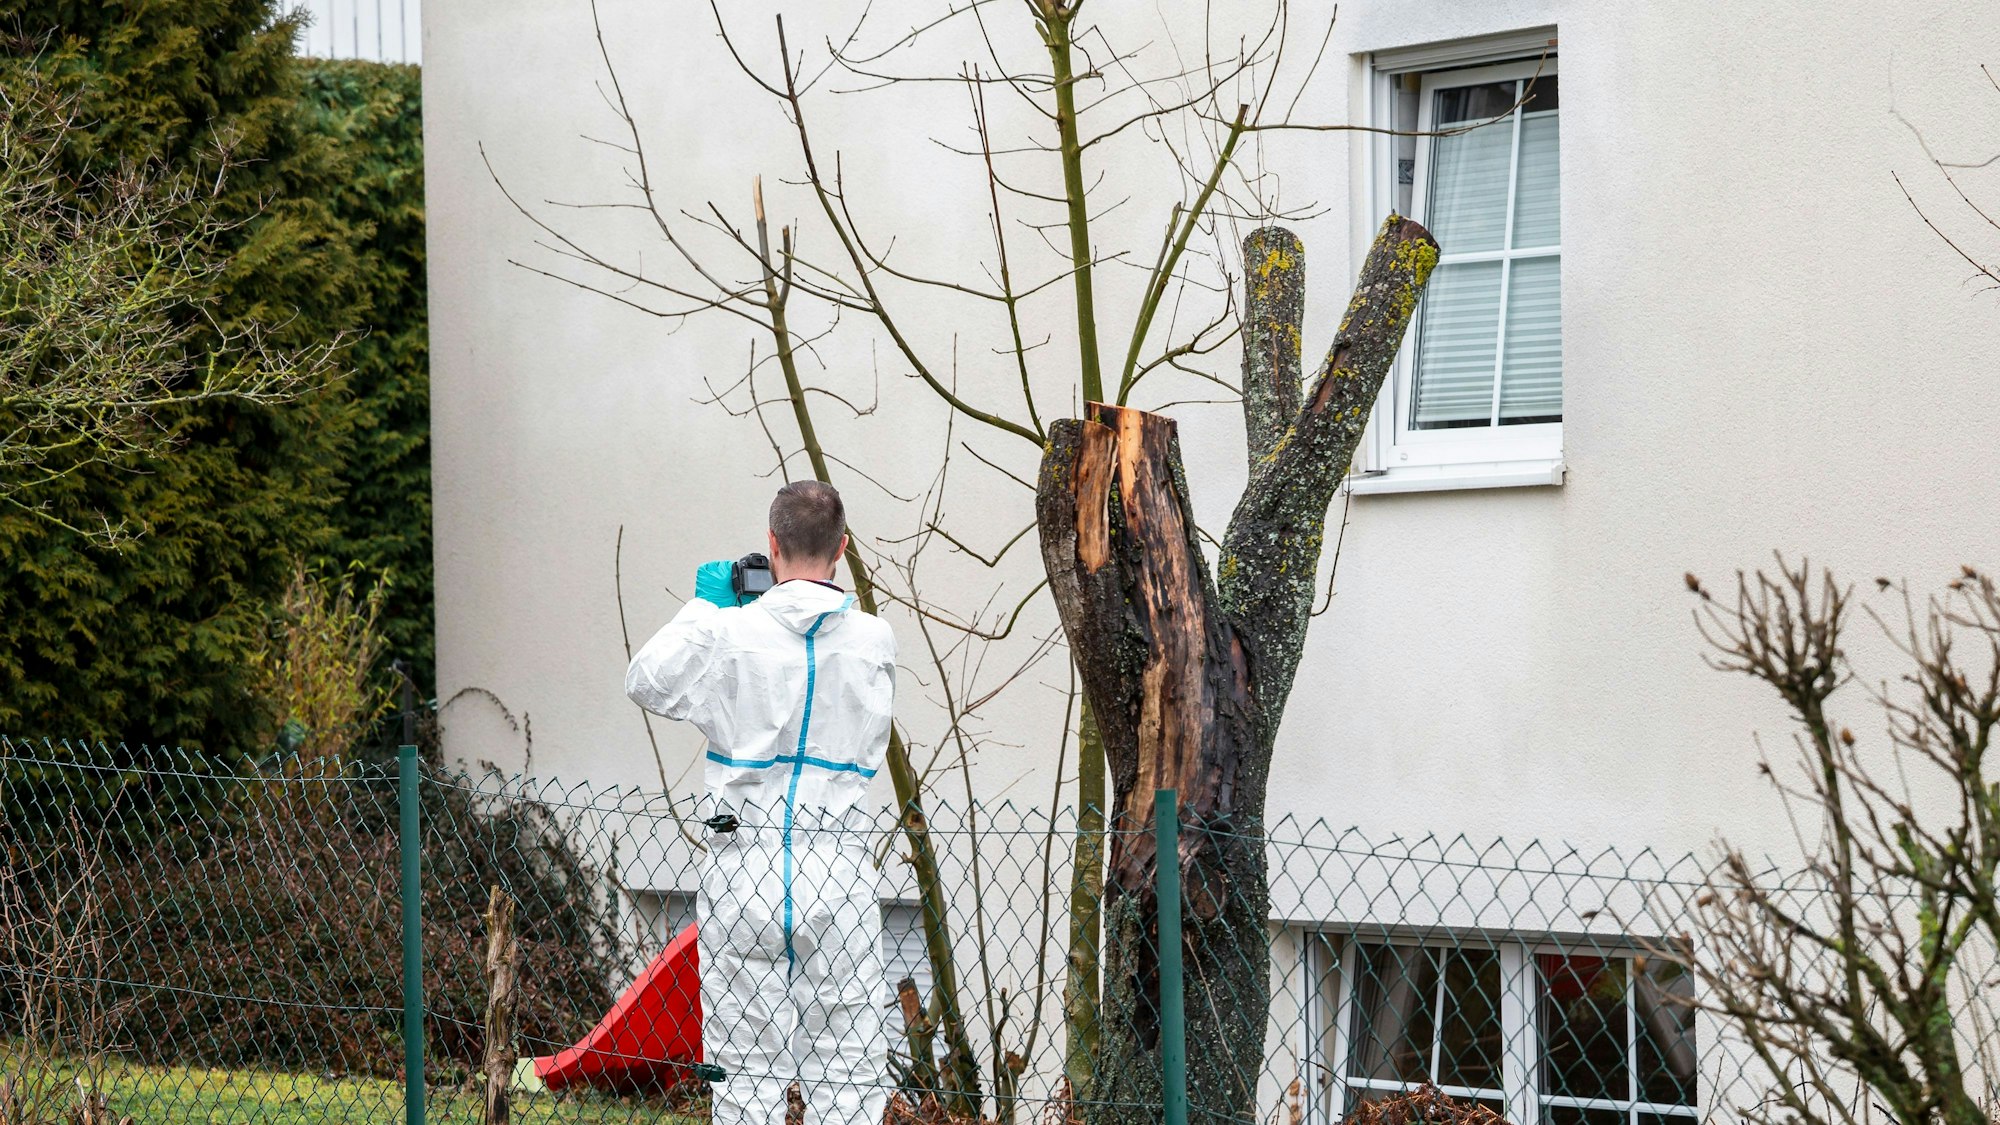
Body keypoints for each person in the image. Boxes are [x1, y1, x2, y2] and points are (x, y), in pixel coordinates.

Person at [625, 480, 894, 1125]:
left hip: (743, 862)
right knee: (849, 1072)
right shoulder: (874, 639)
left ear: (770, 545)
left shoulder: (727, 632)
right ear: (844, 550)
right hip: (839, 866)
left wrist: (703, 609)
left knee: (746, 1076)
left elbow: (646, 682)